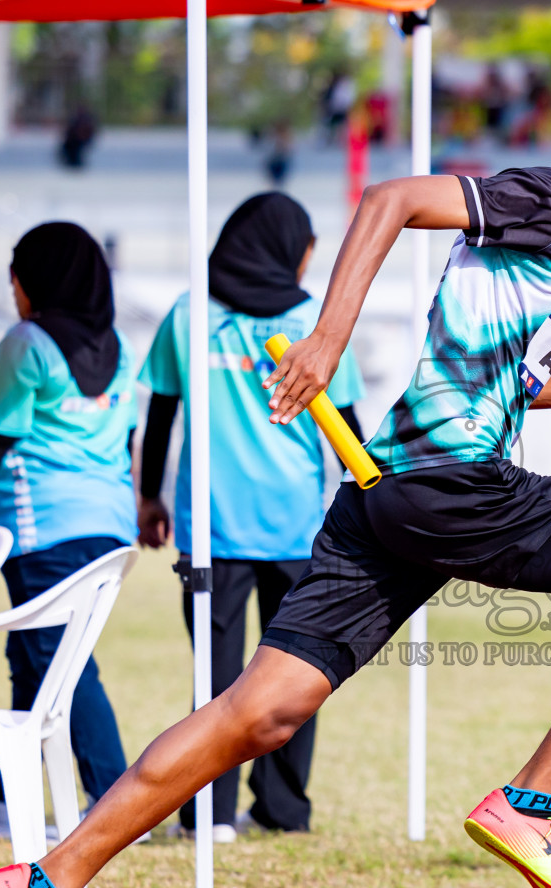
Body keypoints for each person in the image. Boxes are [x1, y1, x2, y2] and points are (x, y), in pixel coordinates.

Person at [0, 65, 551, 888]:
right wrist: (326, 336)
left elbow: (496, 383)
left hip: (388, 493)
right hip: (452, 485)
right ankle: (531, 806)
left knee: (262, 711)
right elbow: (393, 197)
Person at [137, 192, 367, 842]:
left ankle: (207, 816)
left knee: (216, 680)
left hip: (213, 526)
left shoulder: (189, 315)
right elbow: (345, 430)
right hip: (295, 524)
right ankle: (283, 809)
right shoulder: (315, 324)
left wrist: (148, 495)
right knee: (299, 676)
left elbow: (160, 413)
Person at [0, 222, 136, 840]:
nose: (13, 291)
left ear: (38, 281)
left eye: (15, 278)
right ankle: (2, 793)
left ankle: (117, 801)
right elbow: (124, 437)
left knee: (64, 667)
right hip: (108, 525)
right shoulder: (120, 348)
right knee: (31, 656)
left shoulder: (27, 343)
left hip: (42, 527)